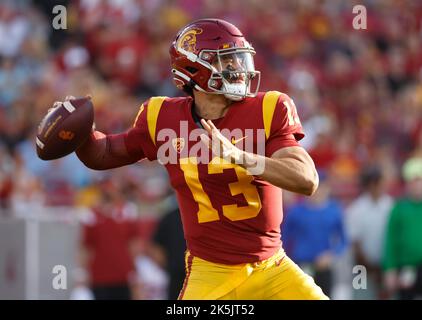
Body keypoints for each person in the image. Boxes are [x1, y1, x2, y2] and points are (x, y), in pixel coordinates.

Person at [70, 19, 324, 299]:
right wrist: (78, 132)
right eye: (228, 62)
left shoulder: (269, 107)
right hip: (210, 272)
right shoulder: (161, 117)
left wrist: (241, 157)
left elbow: (307, 179)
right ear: (194, 69)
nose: (239, 70)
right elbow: (104, 153)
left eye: (240, 59)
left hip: (272, 268)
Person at [282, 173, 348, 297]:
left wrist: (331, 254)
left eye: (322, 187)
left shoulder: (334, 211)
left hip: (324, 267)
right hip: (301, 266)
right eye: (315, 187)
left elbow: (343, 240)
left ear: (327, 188)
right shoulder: (296, 212)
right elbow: (283, 239)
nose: (318, 192)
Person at [346, 166, 393, 299]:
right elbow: (355, 245)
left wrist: (383, 267)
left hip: (385, 266)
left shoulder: (390, 206)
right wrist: (371, 268)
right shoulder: (356, 209)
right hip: (361, 267)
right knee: (361, 296)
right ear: (371, 184)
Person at [383, 156, 422, 300]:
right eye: (413, 181)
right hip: (407, 267)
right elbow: (391, 240)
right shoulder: (399, 209)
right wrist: (390, 269)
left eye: (419, 181)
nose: (417, 185)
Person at [147, 205, 186, 300]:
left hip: (201, 274)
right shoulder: (170, 217)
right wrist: (166, 266)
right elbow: (156, 246)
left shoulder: (204, 215)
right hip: (177, 275)